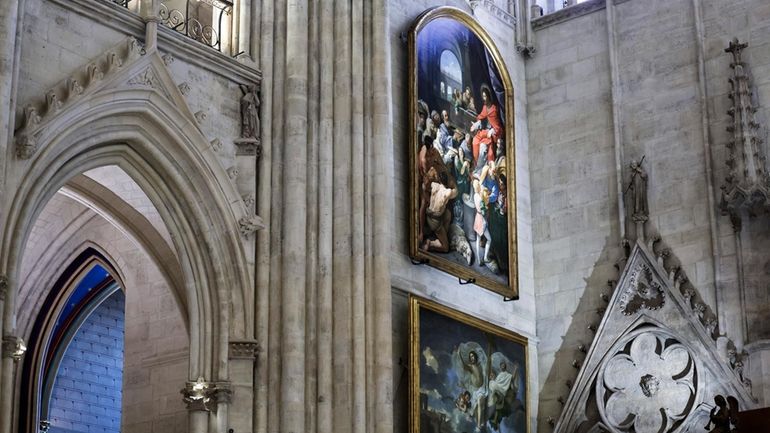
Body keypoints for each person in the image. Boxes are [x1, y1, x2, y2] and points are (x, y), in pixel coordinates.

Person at [470, 84, 503, 166]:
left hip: (491, 134)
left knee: (484, 148)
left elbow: (497, 126)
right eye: (483, 96)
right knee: (475, 142)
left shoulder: (494, 109)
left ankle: (482, 168)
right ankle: (477, 164)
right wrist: (476, 125)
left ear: (488, 96)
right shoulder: (485, 107)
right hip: (484, 132)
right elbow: (481, 117)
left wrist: (492, 131)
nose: (483, 99)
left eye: (485, 96)